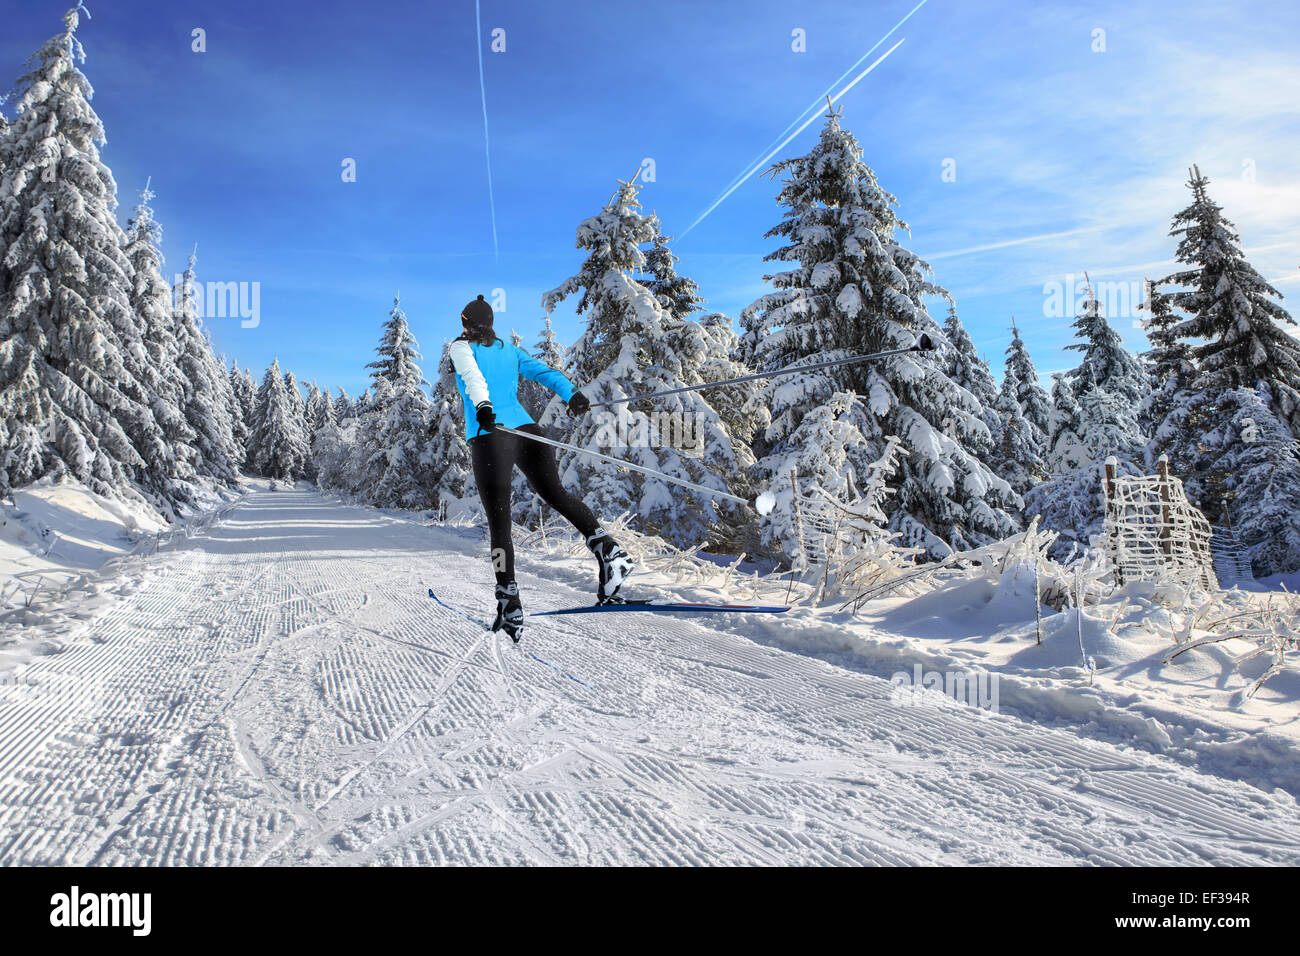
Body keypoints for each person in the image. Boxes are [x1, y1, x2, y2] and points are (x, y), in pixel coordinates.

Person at [445, 295, 635, 641]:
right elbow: (543, 372)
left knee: (499, 521)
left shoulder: (460, 348)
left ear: (466, 324)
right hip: (528, 430)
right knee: (555, 493)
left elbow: (473, 378)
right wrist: (572, 393)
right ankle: (608, 549)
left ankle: (509, 603)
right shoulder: (509, 349)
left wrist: (484, 406)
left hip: (492, 434)